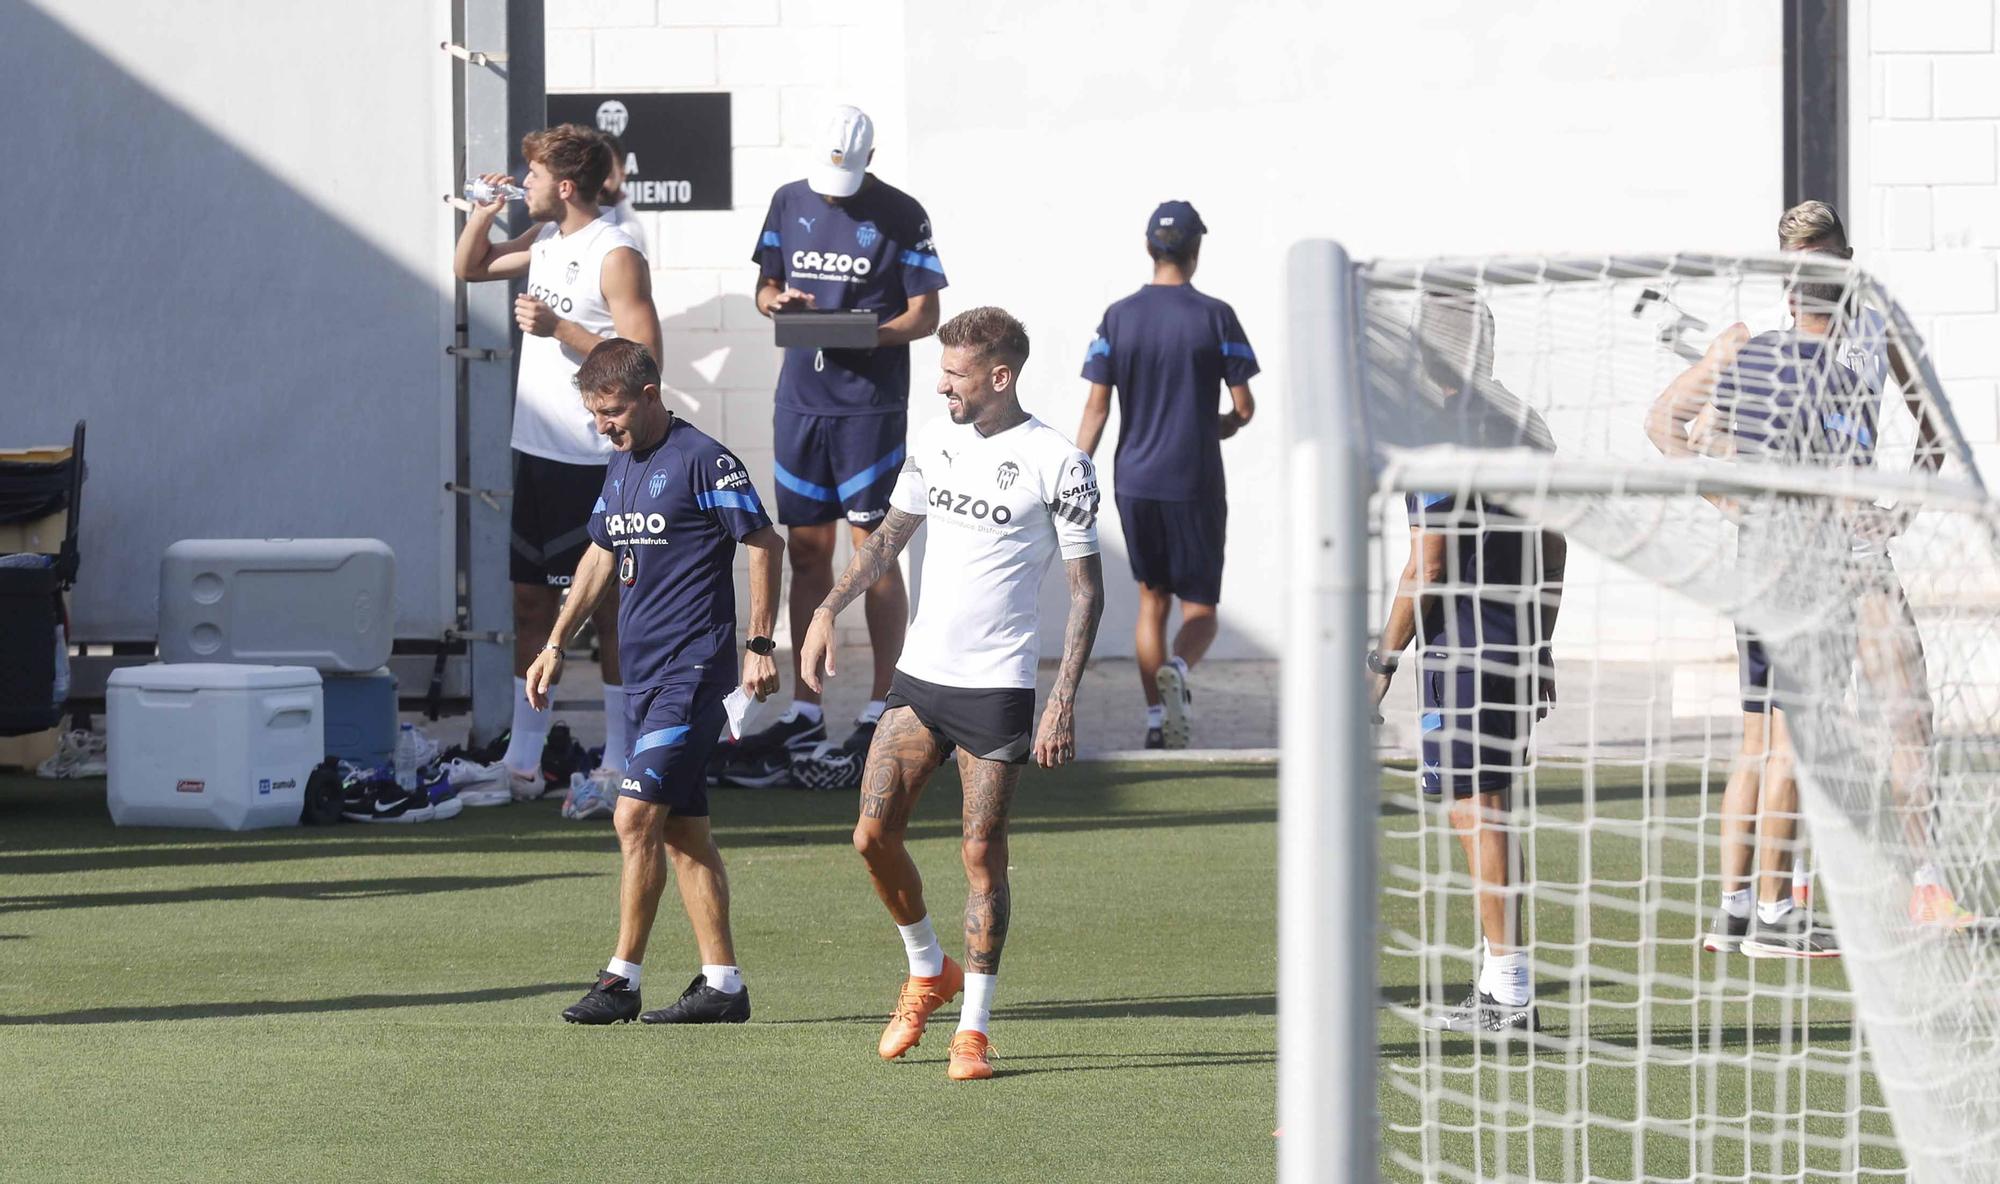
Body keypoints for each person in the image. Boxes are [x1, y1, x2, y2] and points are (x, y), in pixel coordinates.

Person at [799, 307, 1105, 1080]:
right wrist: (828, 609)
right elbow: (887, 540)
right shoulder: (934, 442)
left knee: (980, 855)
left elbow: (1085, 592)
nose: (941, 386)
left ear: (999, 376)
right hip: (920, 680)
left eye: (955, 373)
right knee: (871, 836)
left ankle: (973, 1030)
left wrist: (1061, 699)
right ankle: (927, 968)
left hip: (996, 688)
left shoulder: (1060, 462)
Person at [530, 338, 784, 1025]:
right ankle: (723, 986)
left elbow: (764, 542)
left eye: (611, 412)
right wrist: (556, 642)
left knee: (634, 815)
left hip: (692, 672)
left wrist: (760, 643)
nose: (602, 426)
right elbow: (599, 554)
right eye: (595, 414)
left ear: (649, 395)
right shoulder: (620, 463)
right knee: (682, 832)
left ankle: (621, 979)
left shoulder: (704, 459)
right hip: (642, 679)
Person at [727, 104, 947, 786]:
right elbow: (764, 287)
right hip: (801, 402)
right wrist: (775, 304)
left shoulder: (902, 213)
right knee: (807, 551)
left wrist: (866, 334)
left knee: (873, 552)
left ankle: (883, 704)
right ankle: (806, 707)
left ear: (868, 160)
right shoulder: (787, 201)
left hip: (869, 409)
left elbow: (927, 313)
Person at [1369, 291, 1566, 1034]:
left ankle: (1509, 990)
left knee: (1477, 813)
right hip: (1514, 642)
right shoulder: (1525, 426)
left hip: (1463, 651)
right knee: (1488, 810)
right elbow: (1555, 544)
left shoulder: (1434, 436)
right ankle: (1497, 982)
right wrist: (1541, 641)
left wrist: (1381, 662)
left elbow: (1428, 562)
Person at [454, 124, 662, 796]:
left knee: (607, 611)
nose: (526, 184)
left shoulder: (615, 252)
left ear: (565, 186)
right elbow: (470, 267)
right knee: (530, 602)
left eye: (535, 176)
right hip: (537, 452)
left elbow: (644, 358)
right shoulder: (544, 237)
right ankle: (523, 760)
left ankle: (621, 757)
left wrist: (560, 329)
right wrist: (482, 213)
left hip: (593, 459)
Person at [1075, 201, 1258, 749]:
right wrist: (1221, 425)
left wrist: (1074, 472)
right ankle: (1178, 668)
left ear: (1148, 246)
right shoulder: (1216, 316)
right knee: (1200, 611)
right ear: (1196, 250)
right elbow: (1244, 406)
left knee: (1151, 602)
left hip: (1134, 481)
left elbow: (1096, 409)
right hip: (1194, 479)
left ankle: (1157, 720)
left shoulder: (1117, 317)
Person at [596, 131, 650, 258]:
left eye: (607, 174)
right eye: (593, 173)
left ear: (622, 174)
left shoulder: (625, 232)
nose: (598, 182)